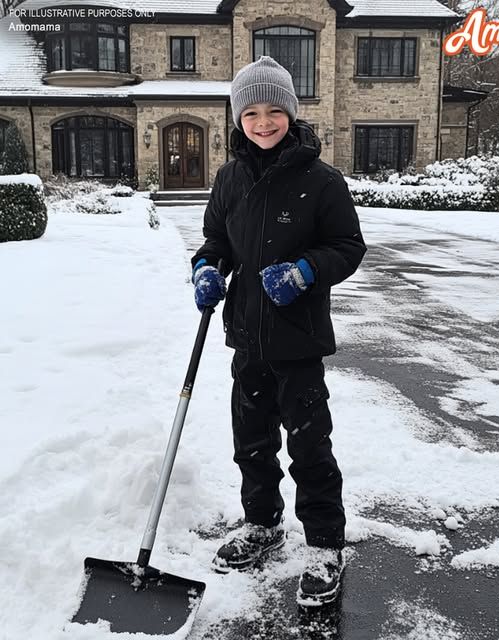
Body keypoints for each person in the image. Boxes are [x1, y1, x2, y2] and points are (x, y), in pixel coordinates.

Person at [191, 56, 366, 606]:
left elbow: (347, 246)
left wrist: (307, 271)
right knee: (253, 442)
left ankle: (323, 546)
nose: (263, 122)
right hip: (246, 336)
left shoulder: (322, 180)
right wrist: (205, 268)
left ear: (291, 113)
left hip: (299, 340)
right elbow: (217, 240)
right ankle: (261, 525)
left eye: (274, 111)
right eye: (251, 112)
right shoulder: (229, 178)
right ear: (237, 118)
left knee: (310, 447)